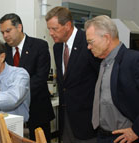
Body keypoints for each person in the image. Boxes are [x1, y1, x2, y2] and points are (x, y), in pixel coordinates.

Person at [45, 6, 100, 143]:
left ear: (68, 25)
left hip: (87, 120)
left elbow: (101, 79)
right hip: (65, 119)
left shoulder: (88, 42)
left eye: (54, 29)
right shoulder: (57, 47)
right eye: (49, 29)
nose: (51, 33)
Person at [0, 13, 55, 142]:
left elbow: (40, 78)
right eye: (2, 32)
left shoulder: (39, 46)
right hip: (11, 113)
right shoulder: (3, 50)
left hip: (37, 110)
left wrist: (16, 94)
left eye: (8, 31)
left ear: (19, 27)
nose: (5, 36)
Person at [85, 15, 139, 143]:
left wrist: (136, 130)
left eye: (91, 42)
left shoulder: (133, 60)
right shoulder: (103, 62)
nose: (88, 47)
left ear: (107, 38)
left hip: (125, 138)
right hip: (103, 135)